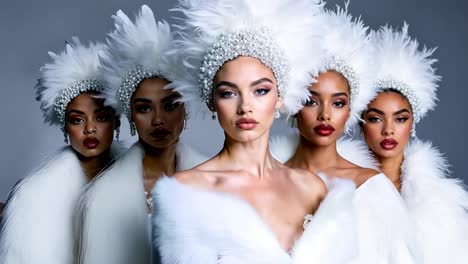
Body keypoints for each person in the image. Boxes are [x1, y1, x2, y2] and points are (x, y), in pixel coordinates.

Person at [152, 0, 357, 263]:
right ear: (211, 101)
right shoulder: (186, 192)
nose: (245, 107)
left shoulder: (313, 188)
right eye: (228, 93)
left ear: (280, 96)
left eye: (260, 90)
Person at [271, 6, 417, 263]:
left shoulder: (372, 188)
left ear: (351, 110)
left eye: (338, 103)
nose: (325, 114)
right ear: (293, 105)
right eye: (311, 101)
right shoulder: (267, 181)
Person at [75, 6, 206, 264]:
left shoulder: (214, 179)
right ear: (131, 116)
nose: (158, 119)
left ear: (185, 111)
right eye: (144, 108)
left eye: (170, 105)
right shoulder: (103, 194)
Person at [0, 38, 122, 263]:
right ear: (65, 128)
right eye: (77, 120)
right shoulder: (31, 197)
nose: (90, 129)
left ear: (117, 123)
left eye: (101, 117)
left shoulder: (143, 180)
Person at [361, 23, 468, 263]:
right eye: (376, 118)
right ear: (361, 124)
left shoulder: (442, 201)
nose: (389, 130)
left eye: (400, 119)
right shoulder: (339, 189)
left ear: (413, 123)